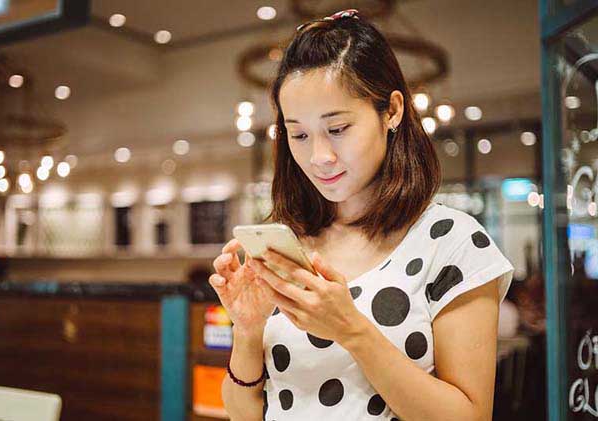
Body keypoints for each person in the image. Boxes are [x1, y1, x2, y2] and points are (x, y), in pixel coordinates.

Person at [208, 9, 514, 420]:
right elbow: (243, 413)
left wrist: (351, 330)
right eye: (298, 134)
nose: (319, 157)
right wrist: (247, 330)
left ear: (391, 111)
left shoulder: (452, 242)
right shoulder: (286, 243)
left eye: (337, 129)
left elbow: (471, 416)